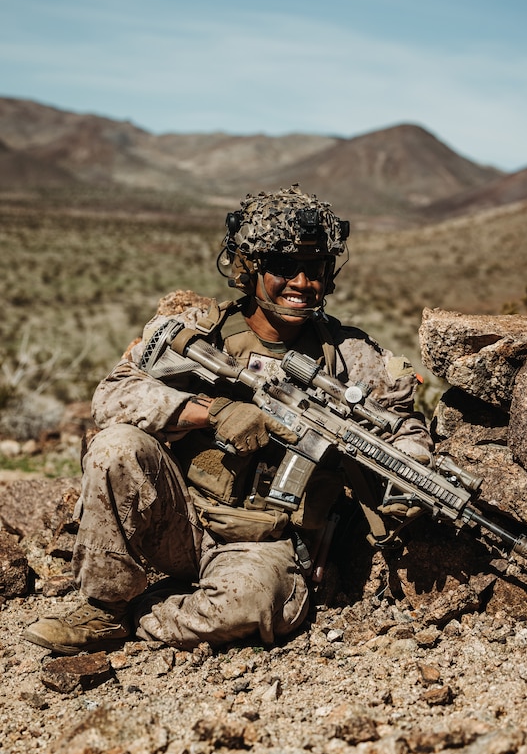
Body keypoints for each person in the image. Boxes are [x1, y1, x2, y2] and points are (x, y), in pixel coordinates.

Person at [23, 185, 433, 655]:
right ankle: (103, 608)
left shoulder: (350, 356)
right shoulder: (203, 334)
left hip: (263, 537)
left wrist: (409, 477)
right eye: (283, 267)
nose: (302, 282)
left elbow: (402, 425)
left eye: (314, 268)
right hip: (178, 516)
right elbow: (113, 395)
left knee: (250, 607)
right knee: (116, 445)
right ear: (248, 269)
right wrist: (211, 412)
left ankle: (142, 615)